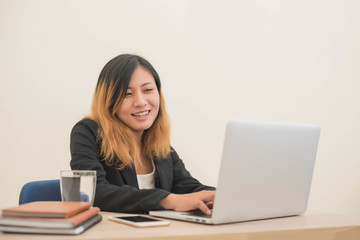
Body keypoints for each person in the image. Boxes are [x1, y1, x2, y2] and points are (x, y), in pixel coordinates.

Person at [70, 54, 215, 215]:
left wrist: (223, 196)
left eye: (148, 90)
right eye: (127, 94)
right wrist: (168, 200)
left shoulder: (160, 145)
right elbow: (93, 193)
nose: (140, 102)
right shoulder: (88, 132)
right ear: (108, 100)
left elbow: (188, 187)